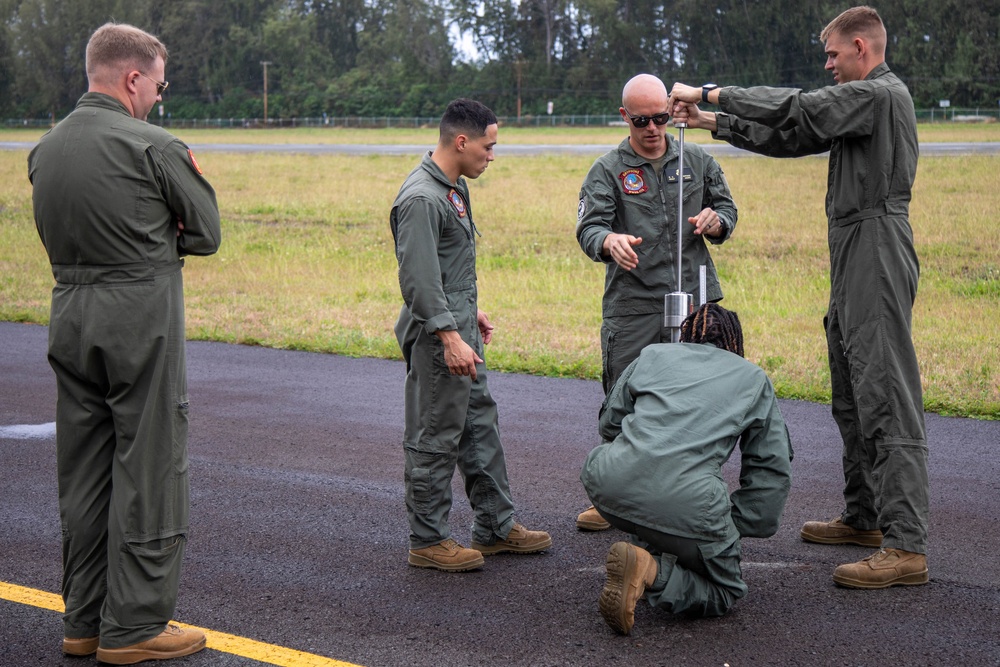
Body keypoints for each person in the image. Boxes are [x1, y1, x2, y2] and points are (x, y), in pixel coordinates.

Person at [668, 5, 929, 589]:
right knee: (852, 386)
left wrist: (711, 92)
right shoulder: (862, 104)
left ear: (862, 48)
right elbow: (797, 136)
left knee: (884, 389)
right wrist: (715, 125)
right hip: (854, 247)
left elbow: (799, 107)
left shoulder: (879, 95)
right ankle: (865, 518)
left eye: (834, 55)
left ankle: (907, 544)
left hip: (877, 244)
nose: (829, 65)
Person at [28, 22, 221, 664]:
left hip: (69, 312)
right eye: (157, 87)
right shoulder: (153, 145)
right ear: (133, 78)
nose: (157, 99)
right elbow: (206, 232)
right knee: (152, 463)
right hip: (139, 316)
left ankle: (82, 620)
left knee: (83, 470)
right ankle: (135, 623)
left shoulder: (45, 150)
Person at [390, 98, 552, 572]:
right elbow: (418, 279)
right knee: (435, 433)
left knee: (480, 427)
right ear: (462, 142)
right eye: (489, 145)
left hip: (460, 329)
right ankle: (428, 540)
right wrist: (447, 333)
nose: (492, 155)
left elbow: (444, 268)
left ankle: (496, 526)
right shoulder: (422, 197)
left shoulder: (453, 188)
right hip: (440, 340)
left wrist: (468, 312)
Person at [574, 73, 738, 531]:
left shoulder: (697, 159)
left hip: (696, 301)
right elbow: (589, 228)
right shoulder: (607, 170)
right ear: (624, 116)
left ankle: (693, 492)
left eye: (661, 118)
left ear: (671, 112)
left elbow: (728, 210)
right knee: (623, 402)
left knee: (698, 403)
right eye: (642, 120)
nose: (653, 128)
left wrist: (716, 221)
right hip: (635, 303)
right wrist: (608, 242)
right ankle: (613, 496)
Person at [580, 304, 793, 634]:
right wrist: (737, 525)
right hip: (689, 505)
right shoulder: (752, 378)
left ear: (687, 333)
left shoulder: (651, 355)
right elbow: (770, 467)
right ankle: (650, 571)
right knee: (725, 591)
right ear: (735, 343)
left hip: (608, 486)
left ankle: (648, 547)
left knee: (654, 501)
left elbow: (611, 423)